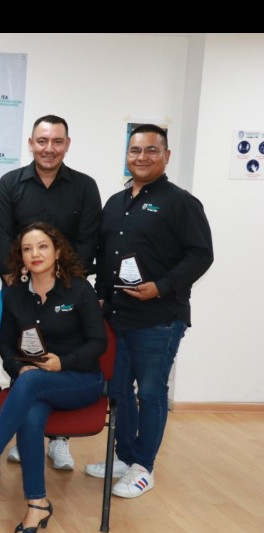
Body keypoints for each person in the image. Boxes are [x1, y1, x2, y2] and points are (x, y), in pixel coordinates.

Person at [0, 221, 106, 533]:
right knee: (31, 412)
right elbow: (5, 345)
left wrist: (63, 362)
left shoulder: (79, 289)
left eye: (42, 247)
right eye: (27, 249)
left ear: (58, 251)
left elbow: (98, 343)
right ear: (20, 256)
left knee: (32, 383)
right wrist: (18, 368)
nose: (35, 253)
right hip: (35, 384)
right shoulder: (15, 294)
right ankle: (37, 504)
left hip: (81, 380)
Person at [85, 124, 213, 498]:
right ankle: (124, 456)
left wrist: (162, 286)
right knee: (118, 389)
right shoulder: (115, 202)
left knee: (151, 392)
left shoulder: (181, 202)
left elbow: (201, 255)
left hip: (160, 318)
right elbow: (105, 255)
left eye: (151, 150)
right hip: (117, 316)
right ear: (127, 156)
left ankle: (144, 467)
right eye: (135, 150)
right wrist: (100, 297)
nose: (142, 157)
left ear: (166, 155)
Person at [0, 114, 102, 470]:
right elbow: (1, 235)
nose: (48, 148)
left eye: (56, 141)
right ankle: (27, 433)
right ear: (31, 144)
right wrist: (17, 281)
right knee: (26, 354)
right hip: (21, 287)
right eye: (42, 141)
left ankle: (59, 440)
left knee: (62, 349)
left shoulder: (84, 186)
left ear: (67, 145)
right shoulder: (10, 184)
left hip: (66, 288)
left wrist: (65, 282)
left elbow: (88, 239)